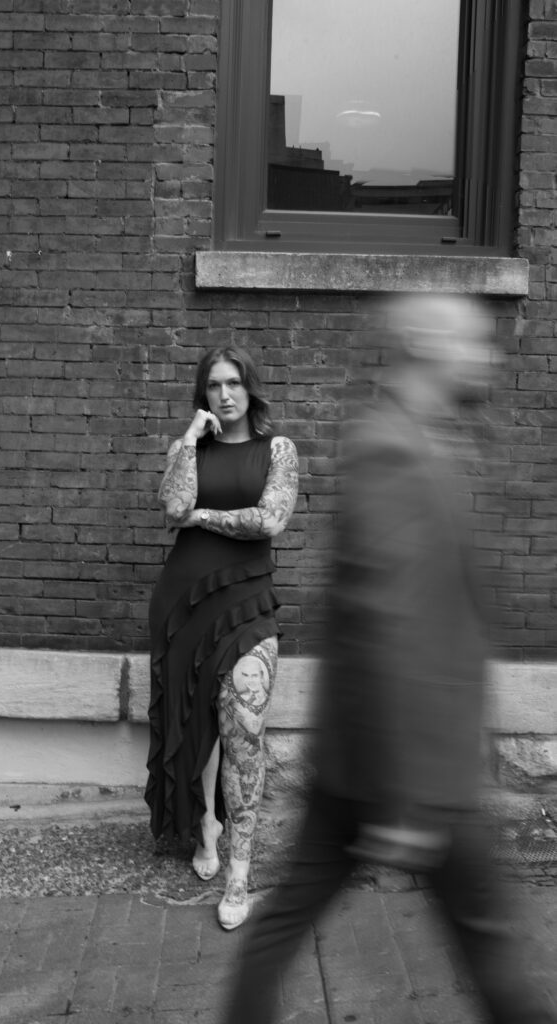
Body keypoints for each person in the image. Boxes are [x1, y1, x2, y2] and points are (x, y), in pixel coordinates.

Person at [220, 294, 556, 1023]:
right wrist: (405, 801)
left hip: (375, 758)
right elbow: (385, 621)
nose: (488, 357)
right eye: (473, 342)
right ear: (427, 350)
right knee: (490, 944)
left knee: (294, 914)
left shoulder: (426, 438)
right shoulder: (392, 449)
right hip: (408, 765)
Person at [145, 344, 298, 930]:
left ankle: (240, 870)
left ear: (250, 388)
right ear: (202, 394)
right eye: (213, 386)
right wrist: (189, 437)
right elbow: (172, 506)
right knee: (196, 721)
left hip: (246, 605)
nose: (224, 394)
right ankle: (204, 825)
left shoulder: (278, 450)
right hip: (185, 605)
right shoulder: (188, 450)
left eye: (233, 383)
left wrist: (204, 519)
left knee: (243, 733)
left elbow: (270, 520)